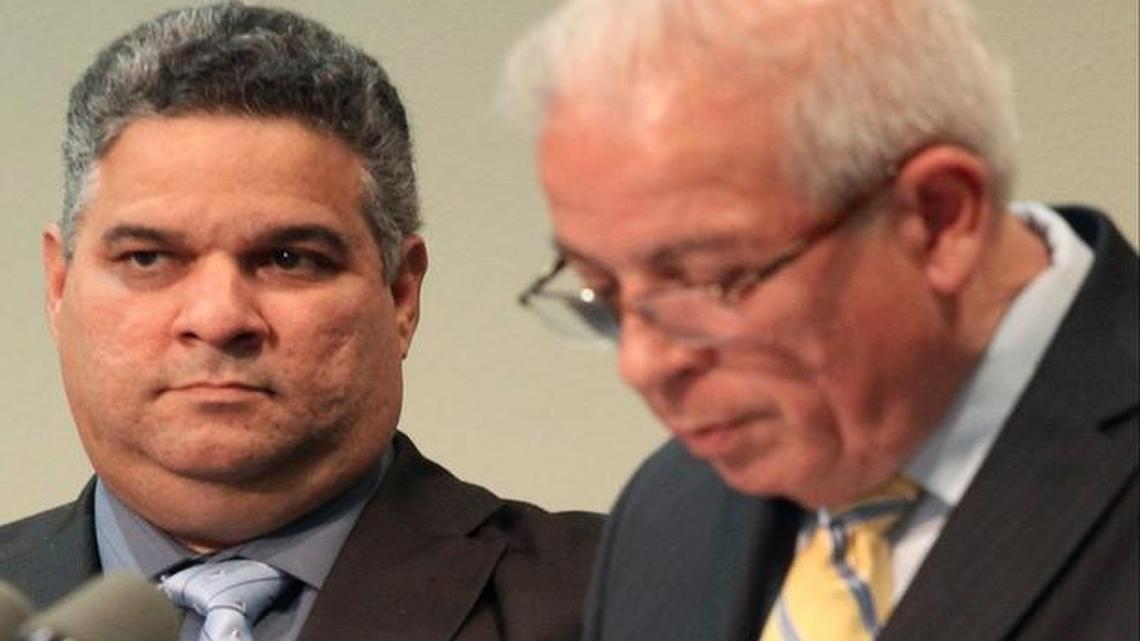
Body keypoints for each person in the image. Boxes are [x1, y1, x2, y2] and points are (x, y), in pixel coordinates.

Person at [505, 0, 1137, 639]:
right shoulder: (665, 514)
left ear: (939, 218)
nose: (640, 366)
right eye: (601, 289)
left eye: (706, 282)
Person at [0, 3, 601, 640]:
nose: (219, 317)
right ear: (59, 286)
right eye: (148, 258)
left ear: (401, 293)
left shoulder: (612, 601)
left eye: (289, 259)